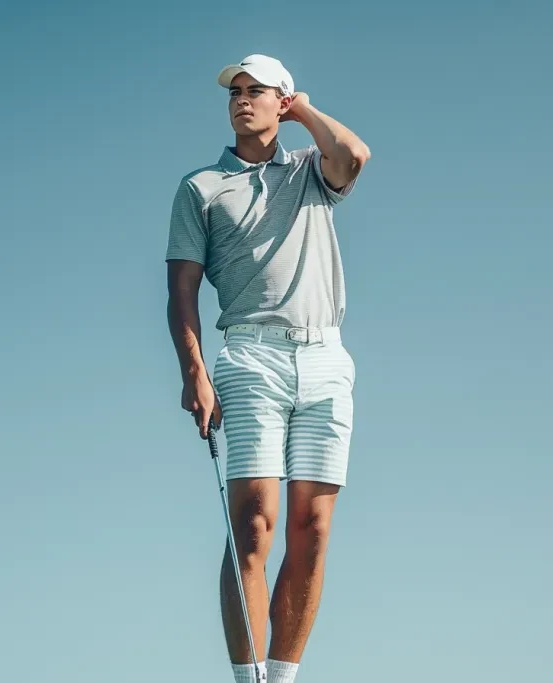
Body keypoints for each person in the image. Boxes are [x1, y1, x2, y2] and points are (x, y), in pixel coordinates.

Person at [165, 54, 370, 683]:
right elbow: (181, 293)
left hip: (326, 359)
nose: (241, 100)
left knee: (313, 527)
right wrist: (194, 372)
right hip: (250, 358)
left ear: (280, 101)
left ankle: (282, 677)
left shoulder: (312, 171)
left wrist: (302, 107)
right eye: (236, 91)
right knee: (254, 526)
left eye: (257, 91)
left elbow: (355, 155)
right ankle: (247, 677)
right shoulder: (200, 186)